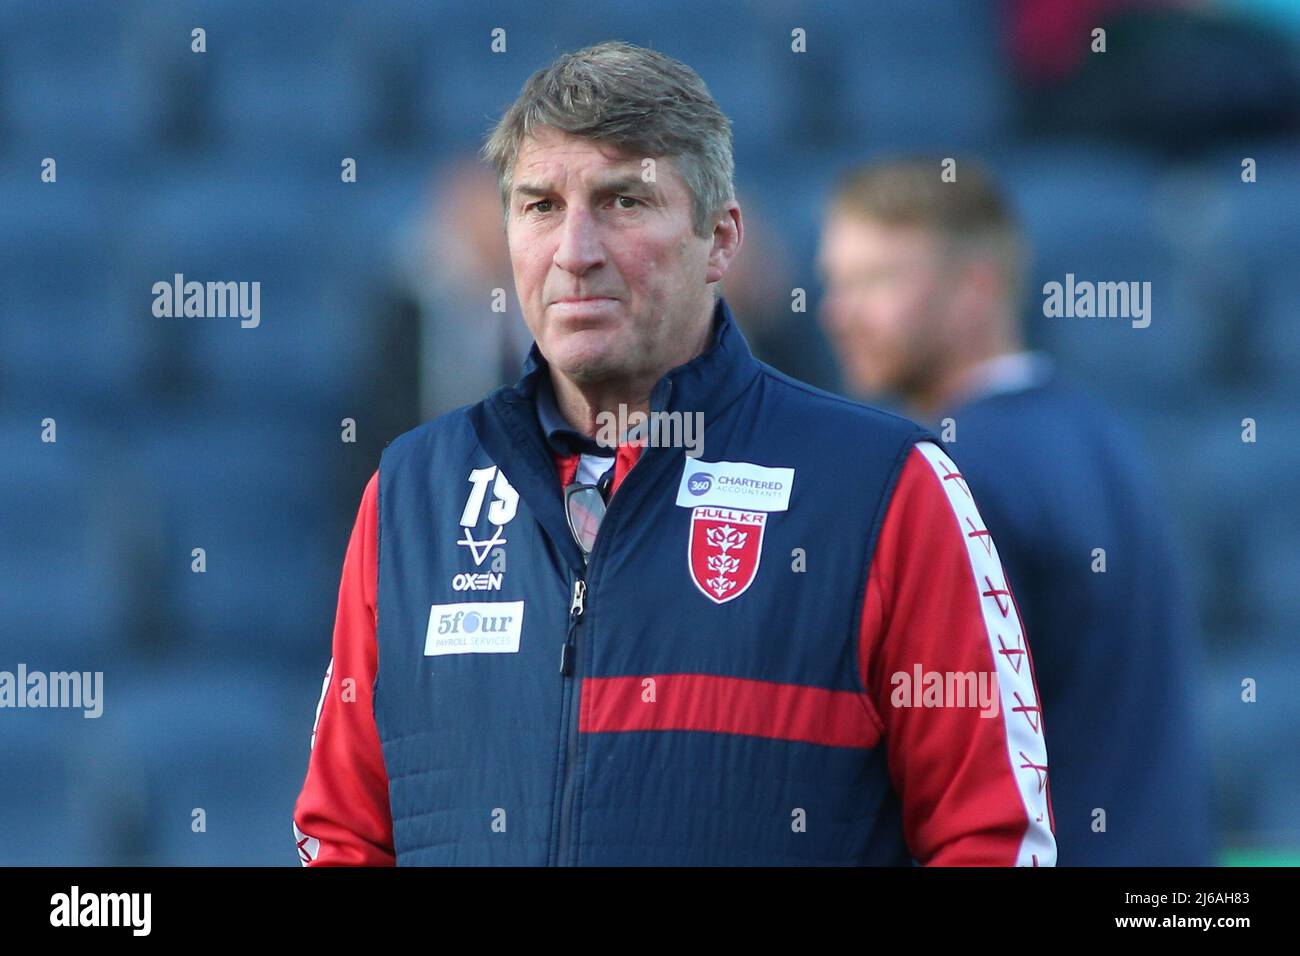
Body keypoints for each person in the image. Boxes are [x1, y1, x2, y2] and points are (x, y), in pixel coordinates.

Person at [292, 42, 1055, 867]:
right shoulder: (412, 493)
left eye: (623, 201)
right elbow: (344, 834)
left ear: (721, 240)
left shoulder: (884, 488)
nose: (575, 252)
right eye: (540, 206)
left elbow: (990, 839)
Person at [816, 157, 1213, 865]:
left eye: (876, 281)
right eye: (836, 282)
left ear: (976, 287)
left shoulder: (952, 473)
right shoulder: (1103, 434)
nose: (839, 314)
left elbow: (963, 756)